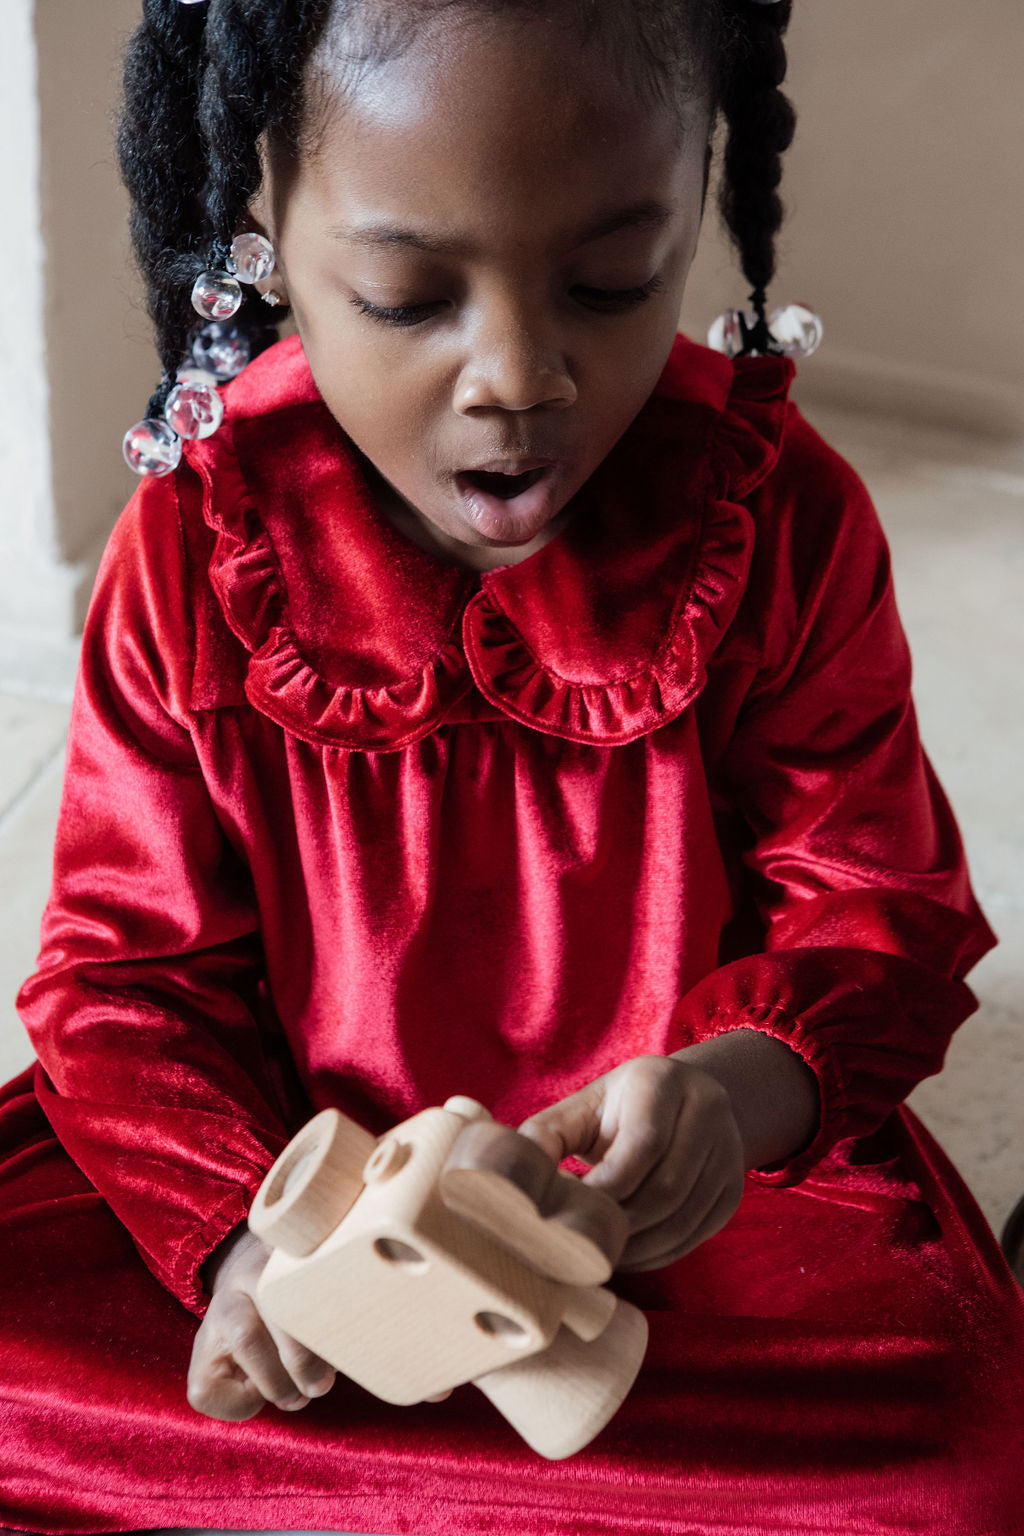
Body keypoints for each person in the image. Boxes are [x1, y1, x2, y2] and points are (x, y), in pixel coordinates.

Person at [1, 0, 1022, 1530]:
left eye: (613, 282)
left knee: (956, 1458)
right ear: (268, 219)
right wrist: (242, 1245)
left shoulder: (774, 516)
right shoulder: (197, 541)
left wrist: (729, 1106)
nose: (519, 376)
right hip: (283, 1156)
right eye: (409, 295)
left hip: (679, 1215)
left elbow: (879, 907)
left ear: (698, 201)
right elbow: (121, 976)